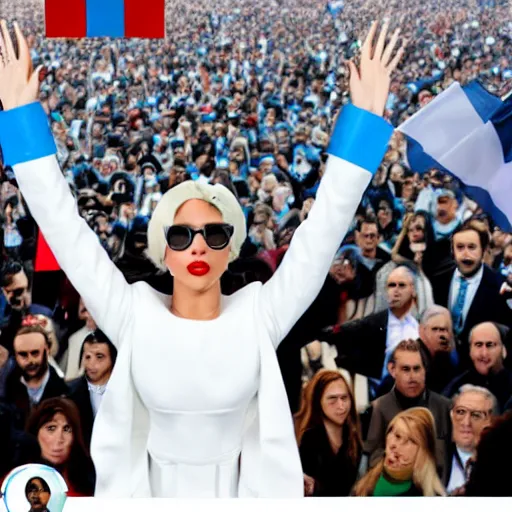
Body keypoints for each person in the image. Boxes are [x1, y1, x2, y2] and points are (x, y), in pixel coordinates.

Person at [0, 20, 404, 498]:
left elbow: (322, 234)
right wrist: (22, 116)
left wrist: (365, 120)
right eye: (181, 233)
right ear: (163, 251)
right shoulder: (132, 313)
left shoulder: (260, 315)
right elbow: (65, 228)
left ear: (230, 251)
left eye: (214, 234)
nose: (197, 244)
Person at [295, 370, 362, 497]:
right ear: (318, 401)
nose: (341, 406)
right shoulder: (308, 441)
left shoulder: (354, 436)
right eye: (332, 399)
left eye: (344, 398)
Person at [353, 407, 446, 496]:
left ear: (422, 452)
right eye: (393, 433)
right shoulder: (366, 477)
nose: (393, 444)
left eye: (407, 440)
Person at [26, 397, 96, 496]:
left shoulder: (90, 481)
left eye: (67, 429)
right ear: (35, 433)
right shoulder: (16, 481)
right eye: (51, 428)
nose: (59, 439)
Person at [443, 384, 497, 494]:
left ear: (492, 422)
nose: (466, 422)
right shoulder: (431, 458)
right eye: (460, 412)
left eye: (476, 415)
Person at [68, 329, 117, 448]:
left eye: (99, 357)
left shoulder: (127, 393)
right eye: (87, 357)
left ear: (113, 359)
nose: (91, 364)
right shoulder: (70, 394)